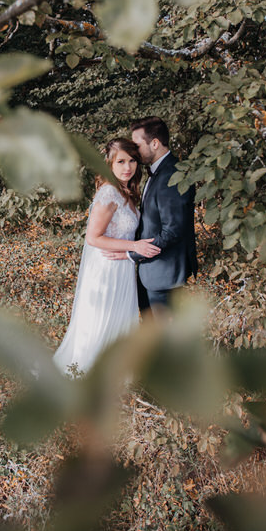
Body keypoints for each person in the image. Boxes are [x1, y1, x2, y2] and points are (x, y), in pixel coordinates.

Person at [52, 138, 161, 375]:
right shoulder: (108, 193)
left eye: (132, 161)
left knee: (119, 320)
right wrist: (134, 246)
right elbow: (93, 237)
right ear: (109, 164)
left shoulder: (126, 192)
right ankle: (88, 374)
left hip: (122, 267)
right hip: (105, 269)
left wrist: (131, 252)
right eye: (121, 161)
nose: (127, 167)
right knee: (100, 320)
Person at [110, 116, 197, 319]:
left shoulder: (172, 175)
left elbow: (173, 230)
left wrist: (132, 254)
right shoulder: (156, 173)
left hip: (164, 275)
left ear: (155, 143)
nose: (134, 151)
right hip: (150, 273)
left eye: (137, 145)